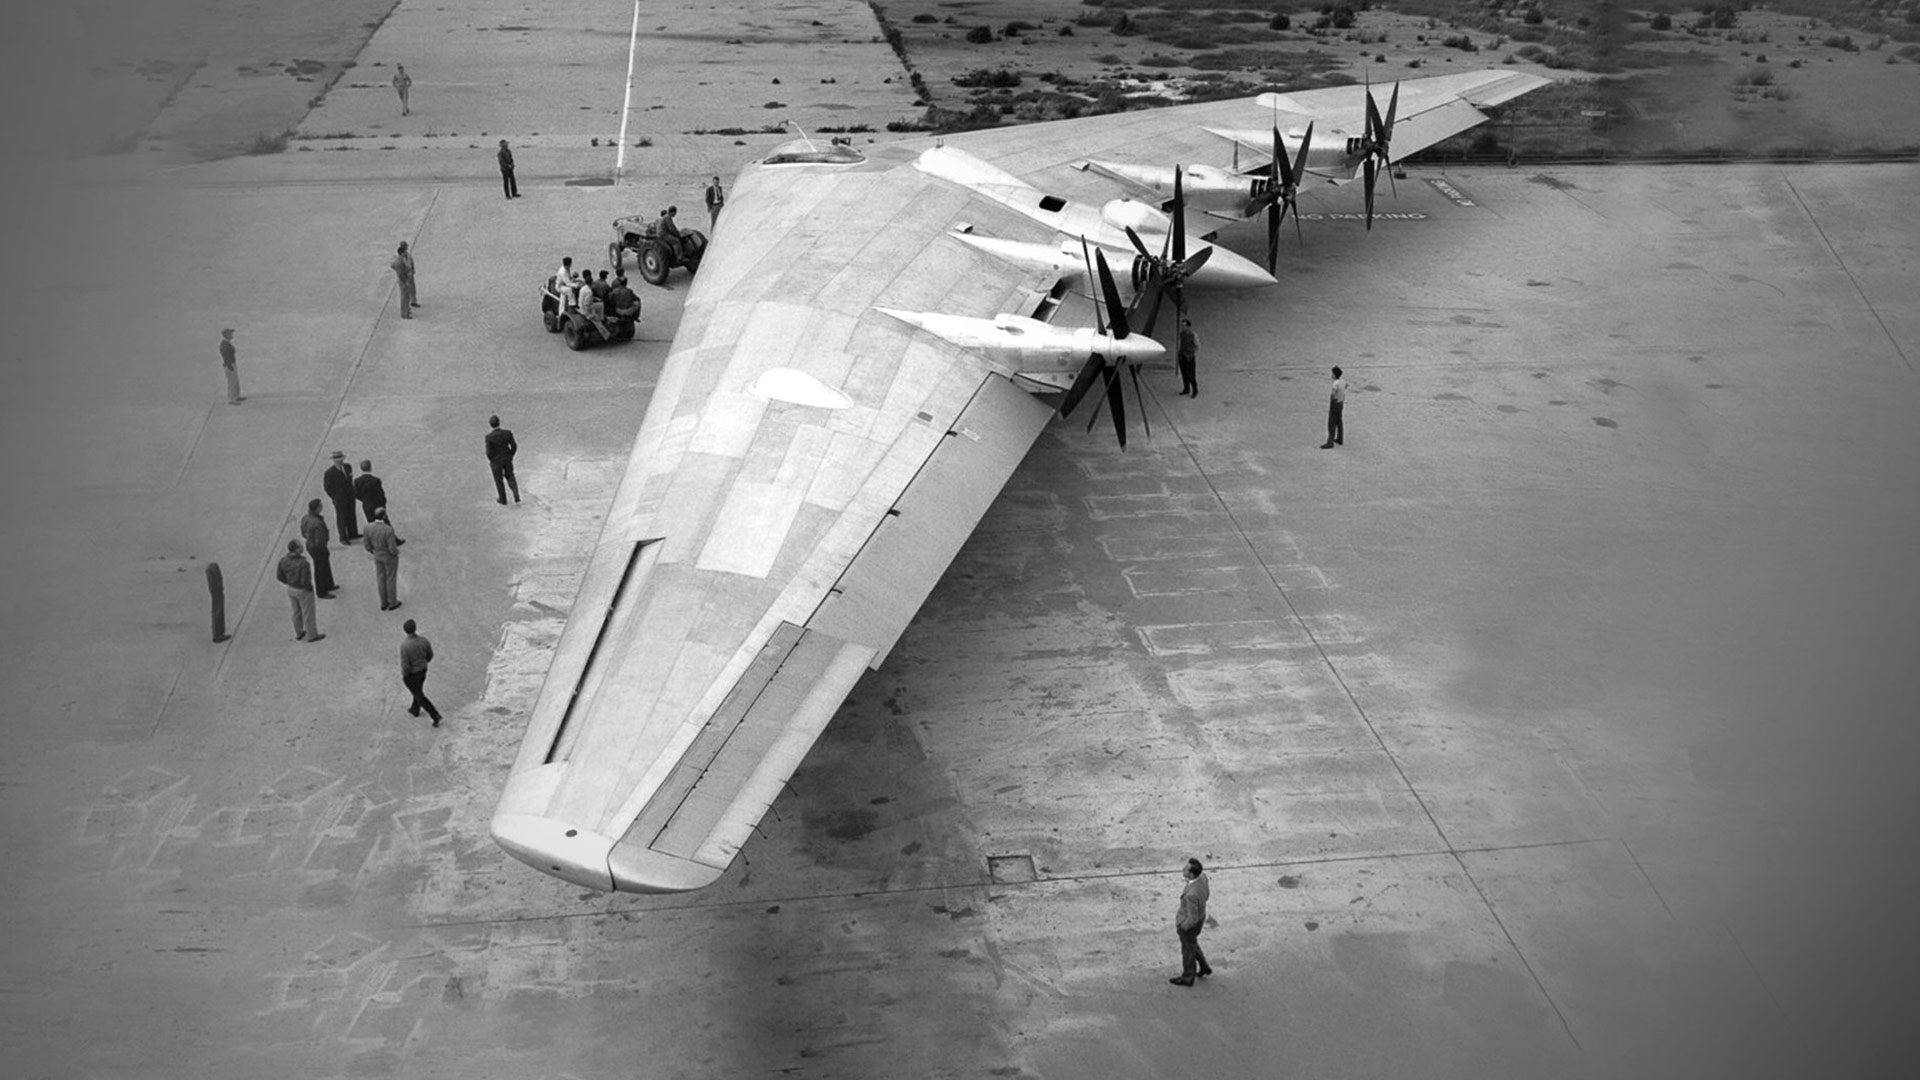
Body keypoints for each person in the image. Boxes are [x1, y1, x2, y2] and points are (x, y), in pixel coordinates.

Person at [1168, 857, 1212, 986]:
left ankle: (1188, 977)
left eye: (1185, 869)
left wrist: (1183, 927)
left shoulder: (1191, 894)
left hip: (1190, 924)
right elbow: (1207, 895)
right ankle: (1204, 967)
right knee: (1192, 944)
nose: (1182, 869)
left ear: (1191, 874)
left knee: (1187, 950)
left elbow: (1192, 919)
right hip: (1201, 916)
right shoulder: (1202, 878)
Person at [275, 540, 324, 643]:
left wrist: (289, 582)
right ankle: (312, 635)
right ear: (296, 550)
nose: (302, 548)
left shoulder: (283, 561)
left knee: (296, 611)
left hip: (291, 589)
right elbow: (305, 579)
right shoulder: (303, 563)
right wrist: (309, 589)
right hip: (302, 590)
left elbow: (279, 576)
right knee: (308, 613)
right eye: (300, 547)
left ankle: (299, 632)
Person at [399, 619, 443, 726]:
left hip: (412, 674)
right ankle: (415, 709)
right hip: (422, 670)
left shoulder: (405, 646)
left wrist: (405, 675)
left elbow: (405, 664)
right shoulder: (424, 641)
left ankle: (435, 714)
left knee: (419, 694)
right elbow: (430, 655)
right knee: (417, 690)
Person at [364, 508, 402, 611]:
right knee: (391, 578)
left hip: (377, 555)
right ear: (384, 516)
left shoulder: (368, 527)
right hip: (388, 556)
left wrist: (374, 551)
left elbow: (367, 545)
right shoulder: (388, 530)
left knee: (380, 578)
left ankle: (383, 602)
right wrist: (396, 553)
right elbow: (392, 548)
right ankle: (393, 602)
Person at [299, 498, 337, 598]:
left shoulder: (306, 518)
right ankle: (322, 591)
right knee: (320, 568)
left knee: (325, 565)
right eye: (320, 506)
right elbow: (319, 541)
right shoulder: (317, 523)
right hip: (318, 548)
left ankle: (329, 584)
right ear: (317, 509)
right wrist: (323, 548)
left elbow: (303, 532)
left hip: (310, 545)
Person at [322, 451, 360, 541]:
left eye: (341, 460)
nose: (340, 461)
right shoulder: (329, 473)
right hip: (339, 498)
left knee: (351, 514)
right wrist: (334, 496)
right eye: (337, 460)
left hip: (350, 496)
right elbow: (327, 487)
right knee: (342, 517)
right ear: (334, 461)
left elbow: (350, 481)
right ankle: (343, 537)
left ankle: (353, 533)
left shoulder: (348, 467)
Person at [485, 414, 520, 504]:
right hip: (507, 459)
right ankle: (516, 495)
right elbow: (514, 446)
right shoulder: (507, 433)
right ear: (499, 422)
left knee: (499, 480)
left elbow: (489, 453)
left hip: (496, 461)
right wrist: (510, 455)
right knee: (510, 476)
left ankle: (503, 499)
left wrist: (493, 459)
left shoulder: (489, 437)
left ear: (490, 425)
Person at [391, 241, 419, 318]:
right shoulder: (398, 259)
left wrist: (412, 270)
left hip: (409, 275)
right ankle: (405, 313)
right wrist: (405, 280)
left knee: (411, 290)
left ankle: (409, 307)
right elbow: (397, 269)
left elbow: (411, 262)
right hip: (404, 279)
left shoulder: (407, 255)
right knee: (404, 296)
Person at [1321, 365, 1346, 449]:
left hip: (1335, 403)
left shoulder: (1335, 383)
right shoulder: (1343, 381)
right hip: (1341, 402)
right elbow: (1346, 386)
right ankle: (1340, 438)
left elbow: (1333, 394)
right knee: (1339, 421)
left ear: (1335, 375)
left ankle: (1330, 442)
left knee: (1331, 423)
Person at [218, 328, 243, 404]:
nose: (232, 335)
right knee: (231, 382)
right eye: (231, 334)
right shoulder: (225, 345)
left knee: (235, 381)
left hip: (232, 364)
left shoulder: (227, 343)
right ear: (227, 335)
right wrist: (230, 367)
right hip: (230, 365)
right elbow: (226, 357)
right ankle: (232, 399)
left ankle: (236, 396)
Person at [1177, 317, 1198, 397]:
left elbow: (1197, 346)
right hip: (1182, 356)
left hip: (1189, 357)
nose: (1183, 327)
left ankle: (1195, 390)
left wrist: (1191, 351)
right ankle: (1186, 388)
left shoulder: (1193, 335)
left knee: (1191, 375)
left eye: (1184, 326)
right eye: (1182, 326)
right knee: (1184, 373)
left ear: (1188, 326)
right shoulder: (1181, 334)